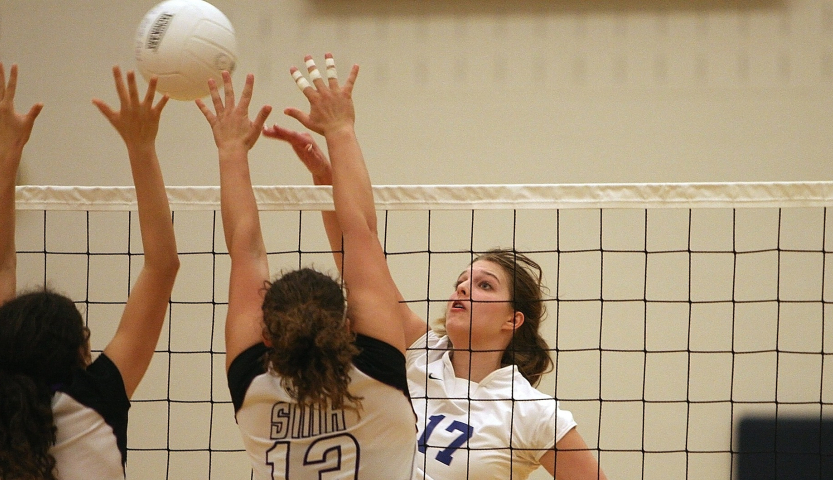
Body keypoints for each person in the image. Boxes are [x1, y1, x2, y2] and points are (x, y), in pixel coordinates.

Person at [266, 65, 608, 480]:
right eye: (462, 281)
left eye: (484, 285)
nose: (463, 288)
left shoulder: (534, 412)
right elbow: (358, 254)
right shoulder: (418, 349)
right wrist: (324, 179)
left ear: (511, 320)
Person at [196, 54, 417, 479]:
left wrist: (230, 152)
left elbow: (245, 251)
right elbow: (360, 231)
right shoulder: (378, 373)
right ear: (349, 324)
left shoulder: (254, 391)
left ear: (265, 333)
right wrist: (340, 129)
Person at [0, 63, 179, 480]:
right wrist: (141, 147)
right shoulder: (99, 397)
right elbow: (163, 265)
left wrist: (7, 153)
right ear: (80, 351)